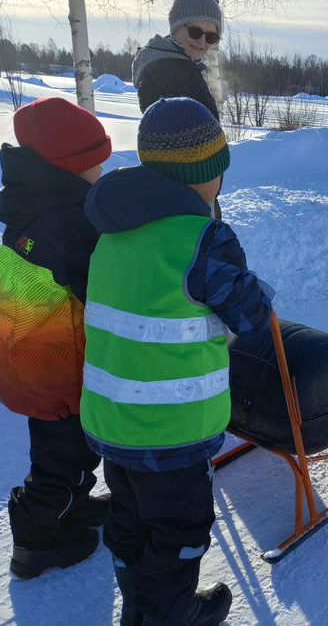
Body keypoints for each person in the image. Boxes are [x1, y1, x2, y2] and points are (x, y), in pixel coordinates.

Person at [80, 97, 273, 625]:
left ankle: (138, 606)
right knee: (179, 528)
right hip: (171, 428)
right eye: (218, 175)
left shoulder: (112, 226)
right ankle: (171, 614)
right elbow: (250, 315)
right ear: (204, 175)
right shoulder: (202, 239)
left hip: (111, 419)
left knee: (129, 515)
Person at [0, 97, 113, 580]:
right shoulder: (70, 221)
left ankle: (70, 506)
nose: (104, 167)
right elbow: (102, 287)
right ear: (73, 166)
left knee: (54, 440)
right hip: (53, 357)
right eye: (97, 160)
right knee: (72, 450)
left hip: (23, 344)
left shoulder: (33, 198)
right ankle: (36, 539)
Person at [132, 0, 223, 119]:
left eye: (211, 36)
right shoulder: (163, 70)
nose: (202, 42)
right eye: (195, 32)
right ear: (176, 28)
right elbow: (166, 134)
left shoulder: (185, 66)